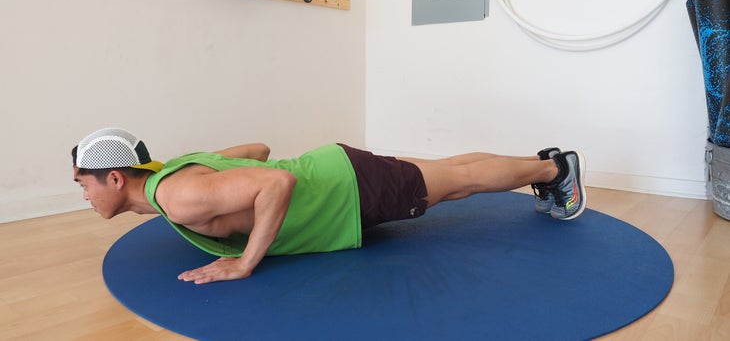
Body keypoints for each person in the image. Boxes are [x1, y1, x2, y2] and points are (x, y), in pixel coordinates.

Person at [71, 128, 586, 285]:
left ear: (116, 178)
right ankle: (541, 166)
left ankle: (553, 171)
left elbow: (272, 181)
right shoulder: (173, 170)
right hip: (338, 170)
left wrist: (246, 262)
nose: (85, 194)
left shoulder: (177, 197)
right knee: (451, 171)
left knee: (459, 184)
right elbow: (256, 150)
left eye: (84, 184)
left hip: (348, 188)